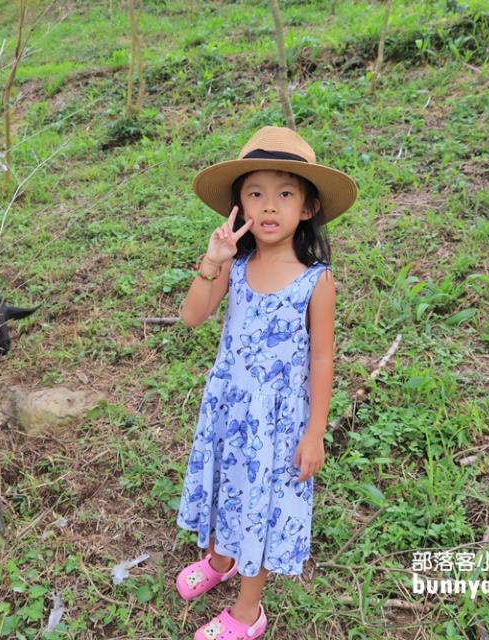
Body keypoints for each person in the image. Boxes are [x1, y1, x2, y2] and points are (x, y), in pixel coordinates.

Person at [175, 126, 358, 639]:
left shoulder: (314, 280)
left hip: (276, 423)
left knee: (258, 505)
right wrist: (213, 262)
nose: (269, 206)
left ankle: (247, 613)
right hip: (228, 406)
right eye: (255, 193)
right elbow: (192, 316)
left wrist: (315, 432)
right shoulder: (235, 266)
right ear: (238, 207)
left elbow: (322, 358)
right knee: (224, 488)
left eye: (284, 193)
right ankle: (220, 558)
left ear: (308, 208)